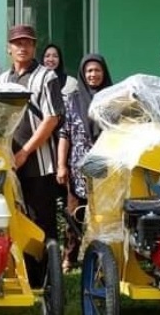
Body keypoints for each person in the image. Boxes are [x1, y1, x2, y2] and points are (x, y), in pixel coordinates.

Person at [0, 24, 64, 284]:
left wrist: (25, 151)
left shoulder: (46, 77)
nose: (22, 47)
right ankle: (20, 274)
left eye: (27, 43)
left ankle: (47, 282)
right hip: (9, 164)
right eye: (17, 43)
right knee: (14, 219)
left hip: (38, 164)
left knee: (40, 221)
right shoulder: (3, 79)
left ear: (34, 47)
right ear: (9, 48)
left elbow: (52, 118)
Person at [57, 54, 113, 273]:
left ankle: (103, 259)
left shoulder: (112, 98)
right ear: (82, 73)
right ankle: (69, 257)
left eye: (97, 70)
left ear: (104, 73)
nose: (93, 74)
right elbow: (65, 134)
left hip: (105, 165)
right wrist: (61, 165)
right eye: (89, 70)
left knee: (103, 216)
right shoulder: (73, 98)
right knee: (74, 215)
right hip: (78, 167)